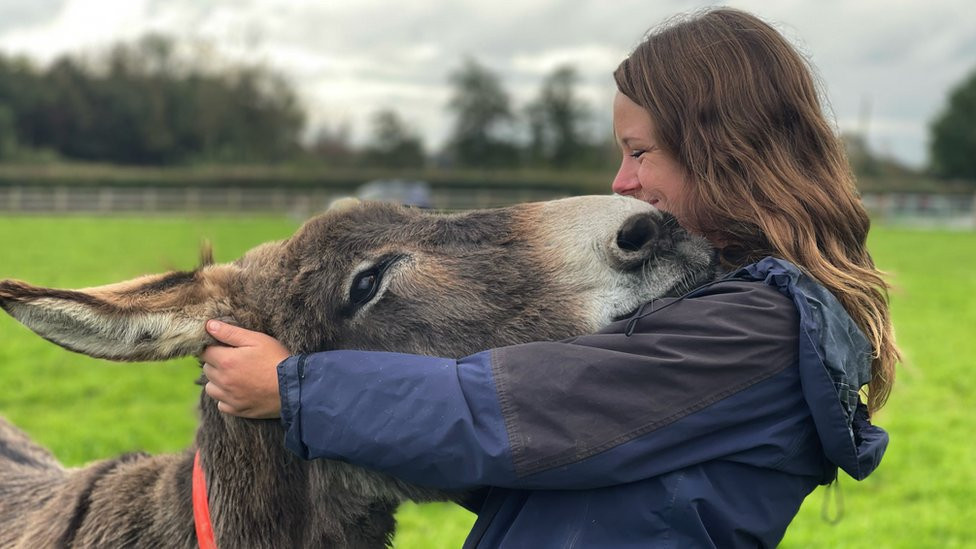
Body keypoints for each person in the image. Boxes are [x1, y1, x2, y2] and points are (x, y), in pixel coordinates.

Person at [201, 7, 898, 547]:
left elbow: (496, 415)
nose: (622, 182)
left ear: (723, 152)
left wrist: (295, 390)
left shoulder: (754, 332)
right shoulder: (735, 316)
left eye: (639, 152)